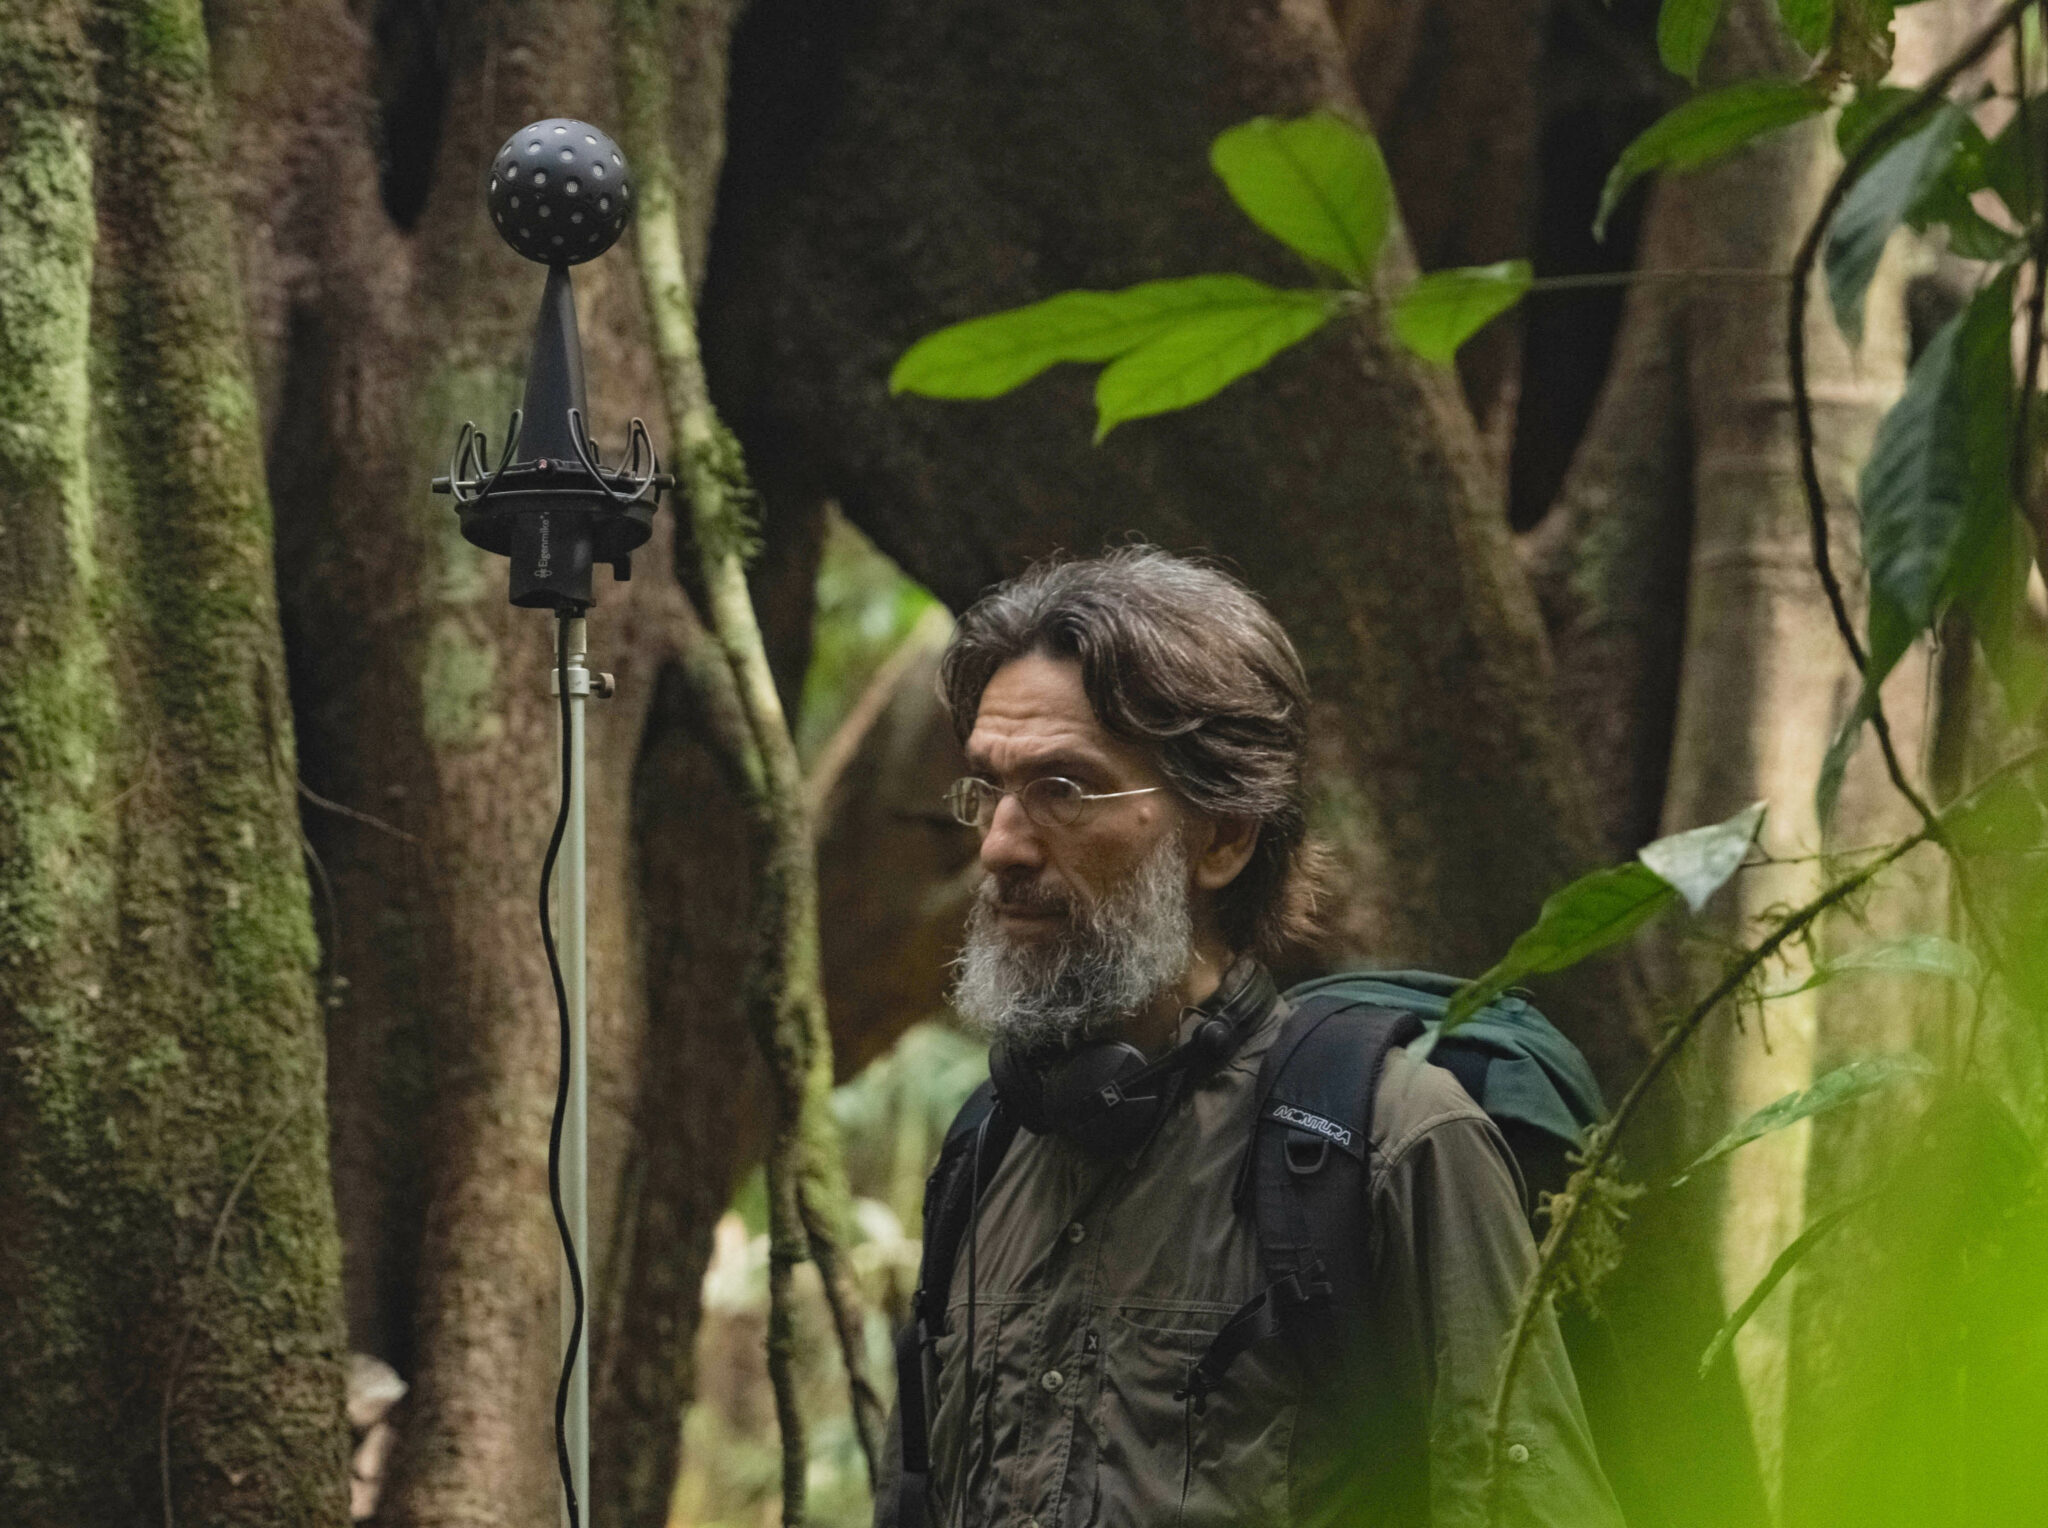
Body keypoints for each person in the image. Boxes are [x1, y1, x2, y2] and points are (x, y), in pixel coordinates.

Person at [882, 547, 1624, 1528]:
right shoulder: (987, 1149)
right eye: (989, 788)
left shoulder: (1389, 1143)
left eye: (1063, 789)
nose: (1000, 846)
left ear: (1225, 835)